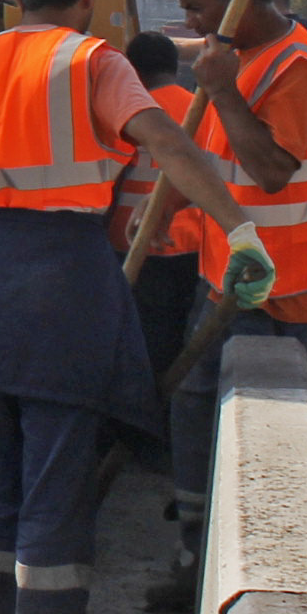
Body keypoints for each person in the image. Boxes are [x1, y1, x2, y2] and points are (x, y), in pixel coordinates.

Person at [0, 0, 273, 614]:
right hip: (61, 288)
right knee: (55, 489)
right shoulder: (90, 62)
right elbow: (169, 144)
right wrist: (241, 229)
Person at [156, 0, 307, 583]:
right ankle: (197, 553)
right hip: (228, 276)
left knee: (275, 434)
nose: (191, 23)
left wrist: (220, 91)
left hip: (291, 288)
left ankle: (274, 567)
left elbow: (272, 171)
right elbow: (207, 163)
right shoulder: (238, 60)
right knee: (196, 408)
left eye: (198, 7)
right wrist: (164, 211)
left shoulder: (299, 64)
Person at [109, 31, 205, 388]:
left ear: (132, 69)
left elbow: (112, 179)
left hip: (134, 239)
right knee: (182, 327)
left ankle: (148, 410)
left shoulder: (131, 112)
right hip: (193, 240)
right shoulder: (199, 107)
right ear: (174, 66)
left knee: (146, 335)